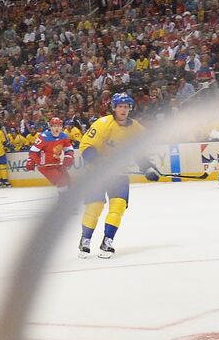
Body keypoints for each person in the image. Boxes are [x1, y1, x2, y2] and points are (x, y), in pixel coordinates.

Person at [77, 93, 149, 259]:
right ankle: (85, 239)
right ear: (114, 108)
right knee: (94, 207)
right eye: (120, 106)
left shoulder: (136, 127)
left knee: (118, 206)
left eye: (126, 107)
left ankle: (107, 240)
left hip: (119, 173)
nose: (123, 110)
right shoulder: (103, 124)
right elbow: (86, 148)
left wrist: (147, 166)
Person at [25, 117, 76, 190]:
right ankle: (64, 198)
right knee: (61, 181)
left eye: (58, 126)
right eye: (54, 126)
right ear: (51, 127)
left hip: (57, 163)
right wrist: (30, 160)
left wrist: (69, 156)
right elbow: (33, 151)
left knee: (68, 180)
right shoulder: (43, 137)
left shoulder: (64, 136)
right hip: (45, 167)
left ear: (61, 127)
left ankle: (70, 197)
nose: (57, 128)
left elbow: (68, 149)